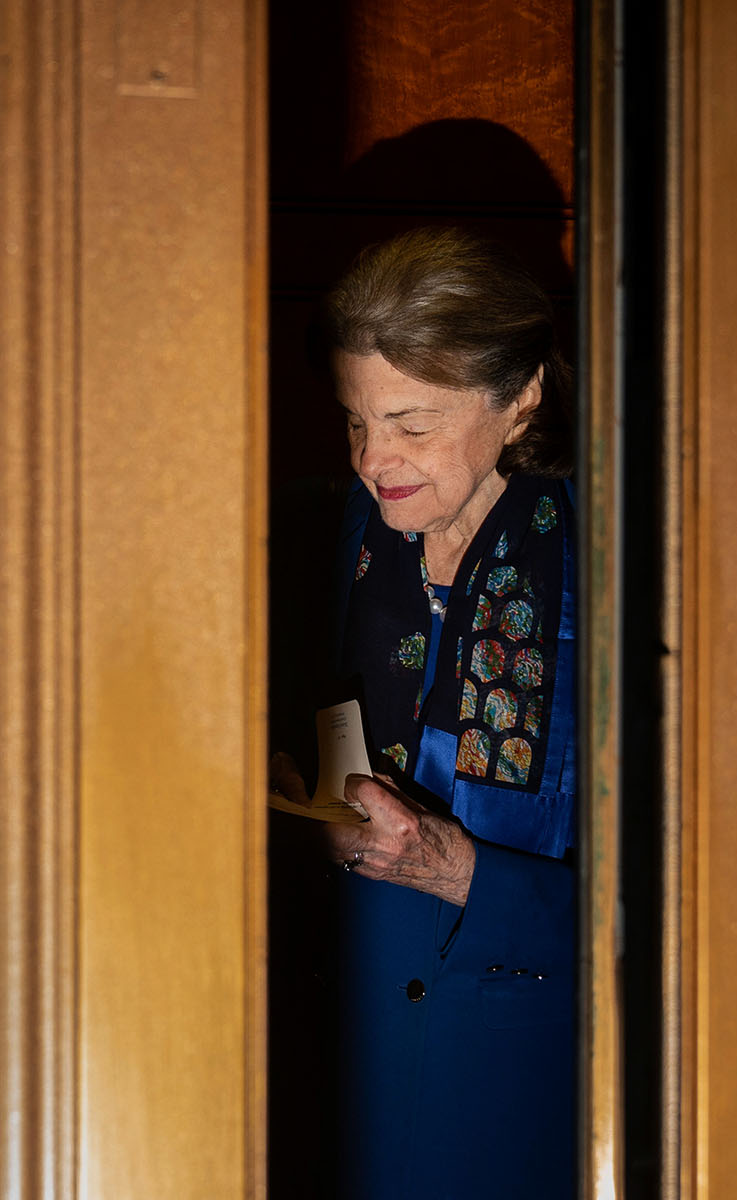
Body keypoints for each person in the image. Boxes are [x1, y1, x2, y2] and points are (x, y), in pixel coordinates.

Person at [270, 226, 577, 1199]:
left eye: (411, 425)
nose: (374, 459)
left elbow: (705, 905)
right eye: (356, 421)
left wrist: (460, 875)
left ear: (520, 395)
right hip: (338, 1054)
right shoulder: (348, 531)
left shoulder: (625, 572)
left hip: (521, 1076)